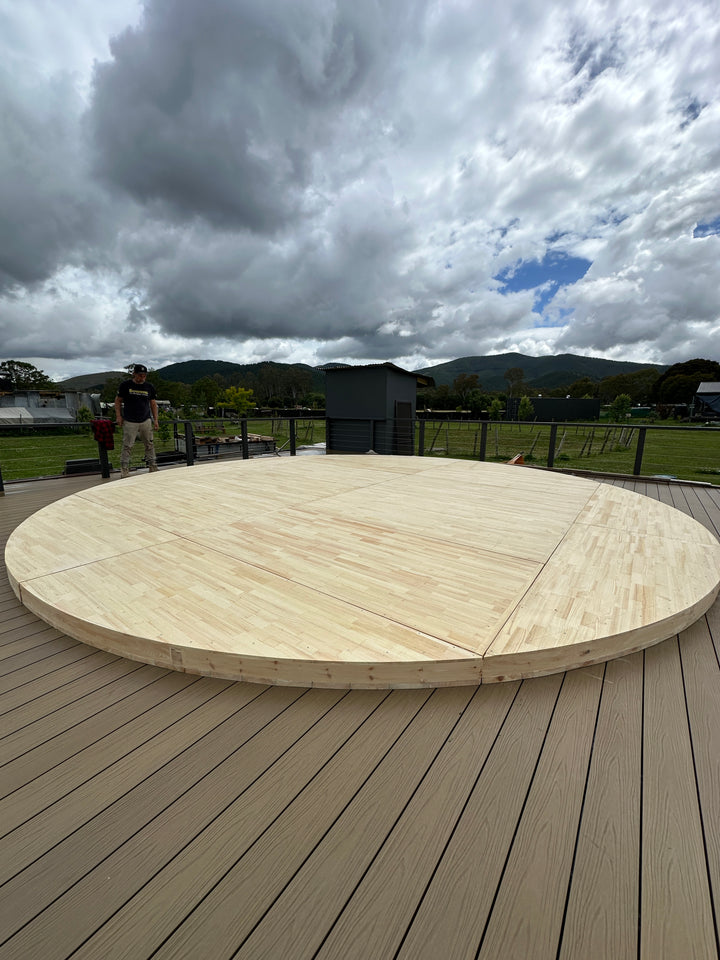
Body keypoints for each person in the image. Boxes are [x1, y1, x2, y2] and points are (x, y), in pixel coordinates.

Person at [115, 364, 160, 478]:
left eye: (144, 376)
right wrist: (119, 416)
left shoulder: (149, 387)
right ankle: (124, 469)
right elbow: (118, 401)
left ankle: (152, 466)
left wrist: (155, 420)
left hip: (145, 419)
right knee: (128, 445)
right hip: (130, 420)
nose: (142, 378)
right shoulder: (125, 385)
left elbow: (153, 404)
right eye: (140, 375)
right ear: (134, 374)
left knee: (149, 444)